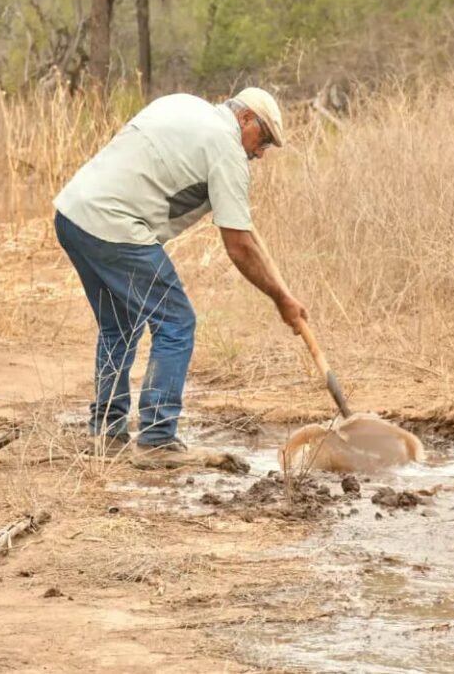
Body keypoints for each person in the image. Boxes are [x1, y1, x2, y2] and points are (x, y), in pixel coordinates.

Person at [54, 88, 307, 453]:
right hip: (115, 227)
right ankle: (157, 438)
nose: (260, 153)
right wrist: (280, 299)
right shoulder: (227, 148)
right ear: (245, 118)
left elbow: (246, 233)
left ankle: (107, 432)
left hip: (72, 214)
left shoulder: (183, 104)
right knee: (176, 322)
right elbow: (238, 246)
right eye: (262, 140)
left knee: (119, 325)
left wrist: (285, 295)